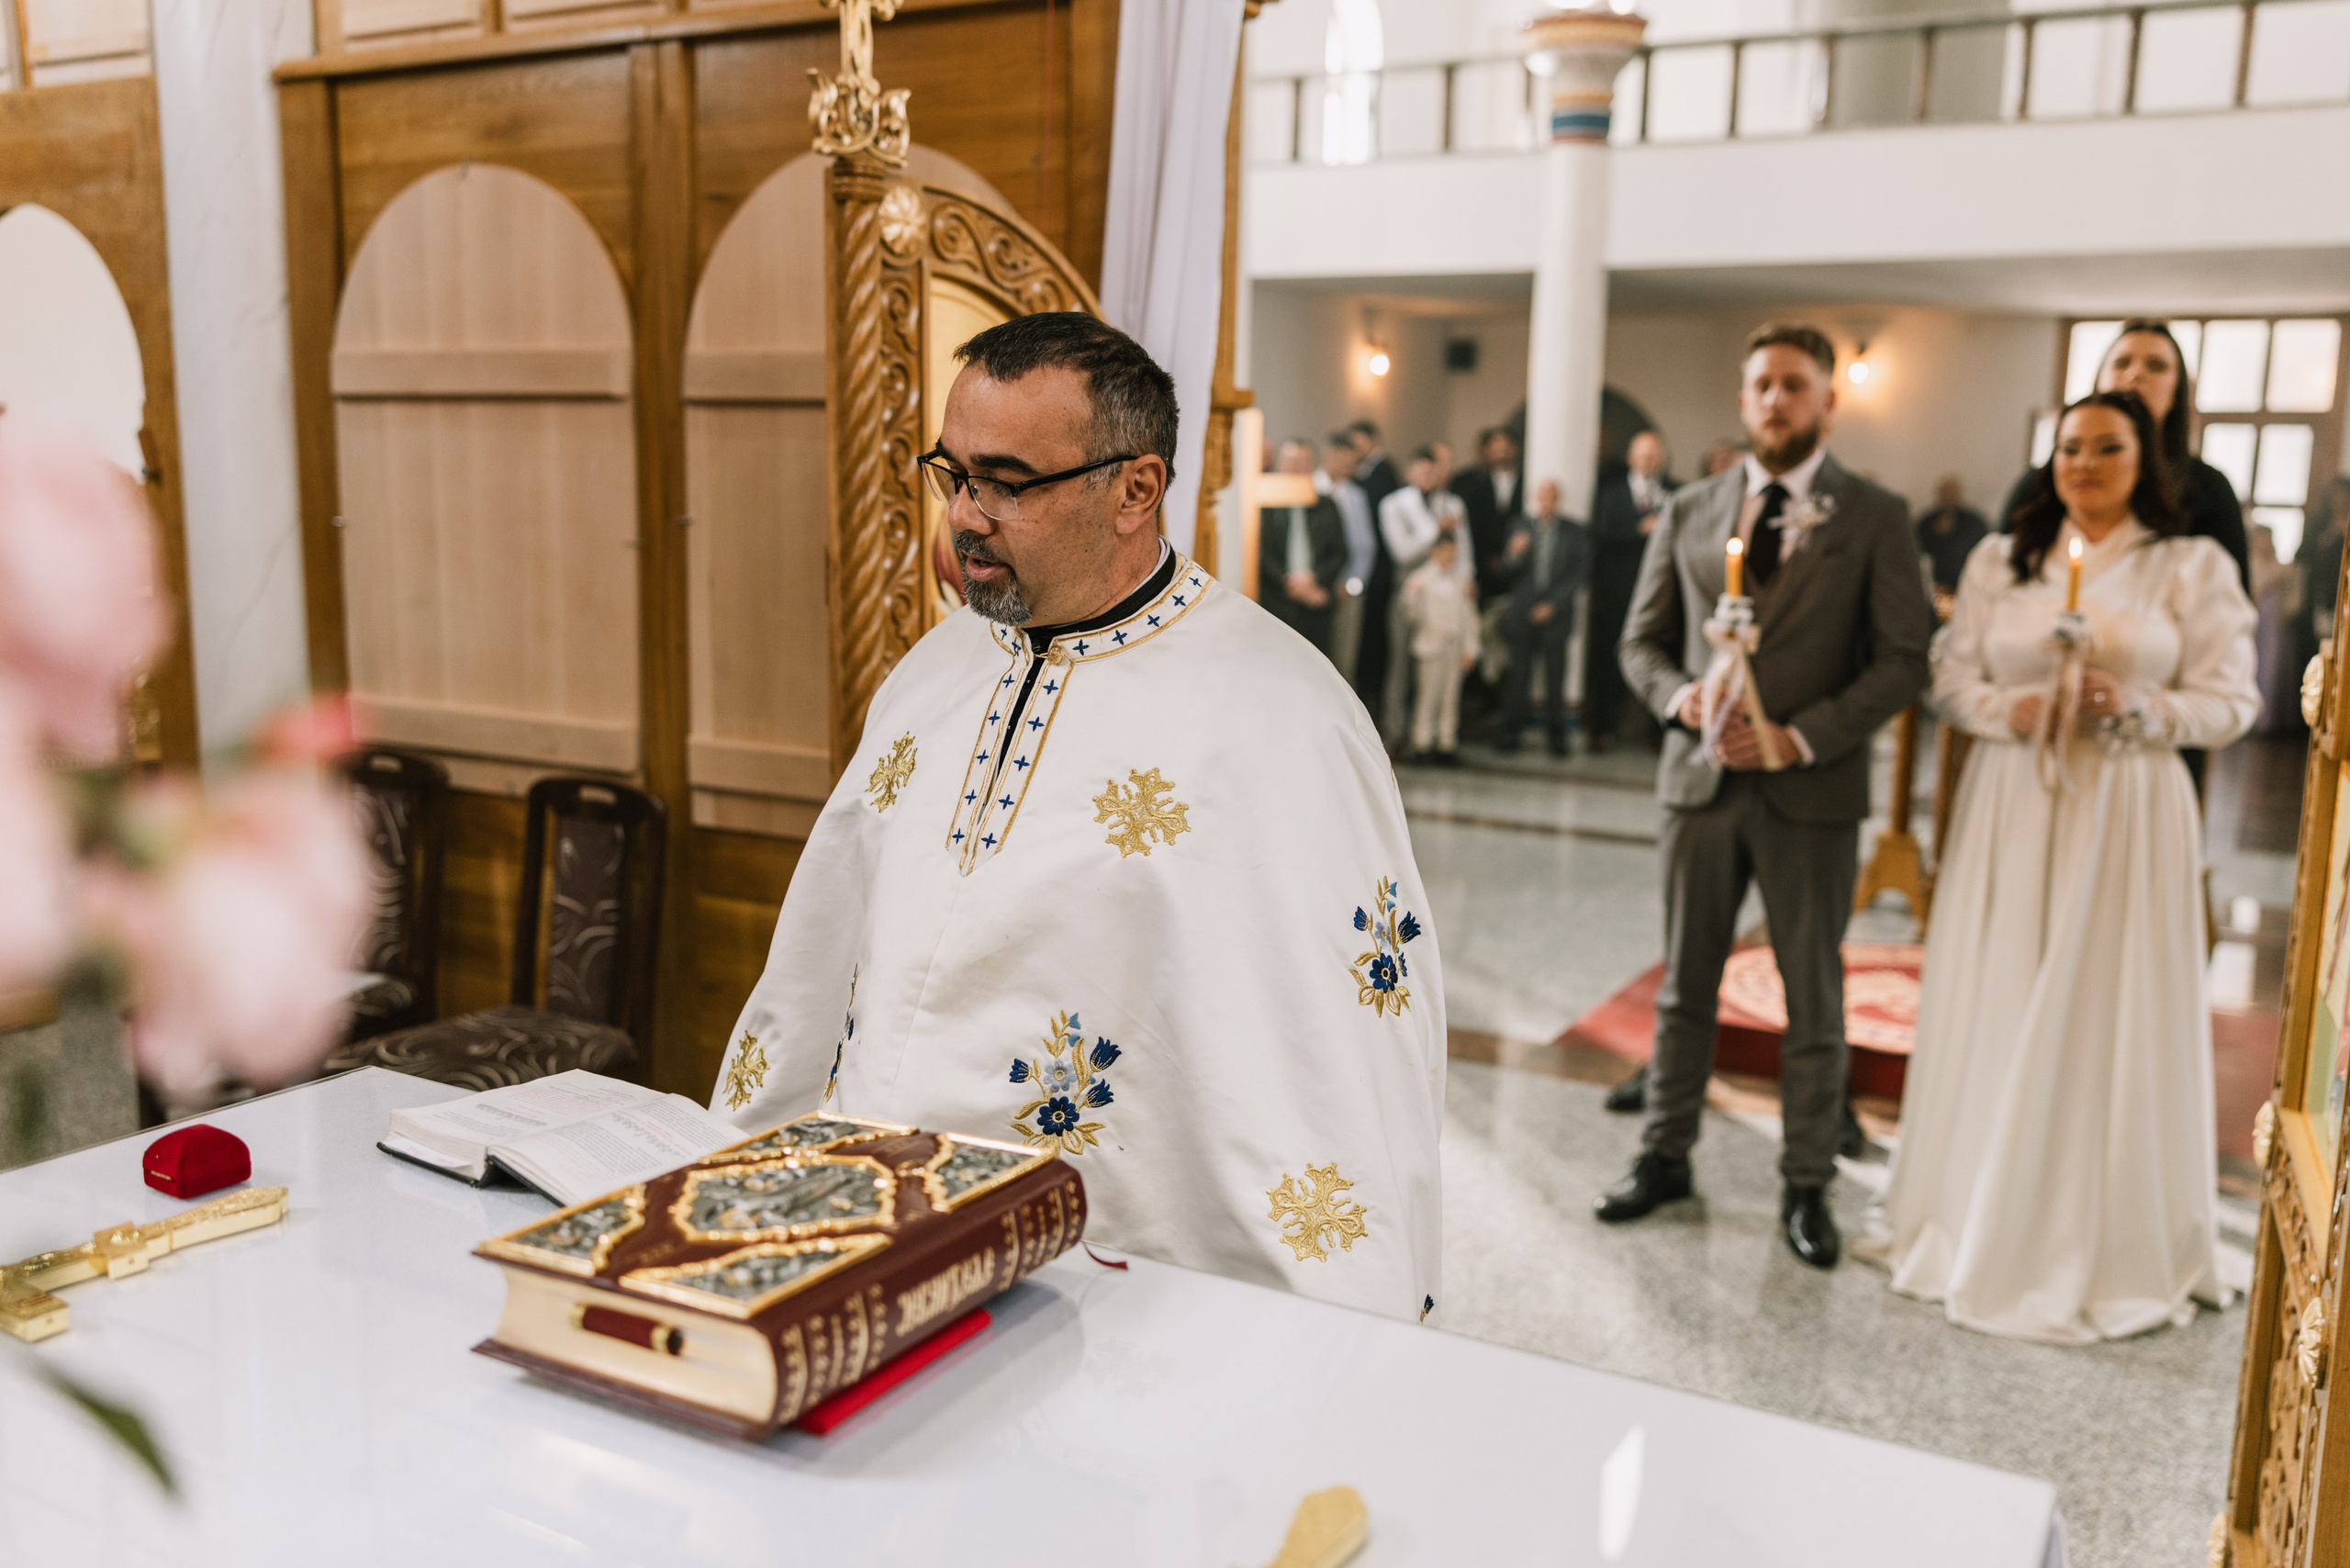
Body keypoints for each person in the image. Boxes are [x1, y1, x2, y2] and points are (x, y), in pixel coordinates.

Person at [711, 313, 1445, 1323]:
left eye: (1006, 483)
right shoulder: (933, 674)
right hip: (868, 1229)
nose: (965, 516)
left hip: (1106, 1276)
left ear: (1135, 490)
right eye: (953, 473)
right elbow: (826, 960)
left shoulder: (1284, 715)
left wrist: (1325, 1329)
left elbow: (1322, 1055)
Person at [1863, 390, 2257, 1340]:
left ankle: (2101, 1231)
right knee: (2000, 991)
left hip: (2127, 808)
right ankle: (1969, 1209)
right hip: (2012, 805)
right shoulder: (2004, 558)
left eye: (2107, 447)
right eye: (2069, 447)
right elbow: (1953, 676)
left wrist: (2137, 707)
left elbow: (2231, 699)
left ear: (2146, 455)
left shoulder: (2189, 562)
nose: (2083, 463)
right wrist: (2013, 710)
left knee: (2102, 1004)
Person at [1599, 322, 1933, 1270]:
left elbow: (1902, 658)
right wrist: (1679, 695)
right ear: (1743, 400)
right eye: (1762, 385)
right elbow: (1639, 642)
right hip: (1700, 787)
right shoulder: (1692, 508)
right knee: (1684, 986)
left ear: (1827, 400)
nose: (1776, 400)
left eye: (1795, 384)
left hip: (1810, 793)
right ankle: (1664, 1155)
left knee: (1812, 996)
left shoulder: (1872, 514)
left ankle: (1804, 1182)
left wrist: (1798, 735)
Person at [1586, 431, 1674, 752]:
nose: (1649, 460)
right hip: (1618, 593)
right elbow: (1601, 538)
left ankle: (1659, 732)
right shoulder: (1611, 495)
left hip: (1663, 593)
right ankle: (1602, 728)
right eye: (1643, 454)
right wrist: (1640, 530)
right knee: (1610, 662)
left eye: (1654, 454)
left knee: (1663, 659)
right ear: (1631, 458)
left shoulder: (1674, 492)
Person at [1379, 446, 1469, 746]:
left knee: (1438, 667)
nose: (1428, 477)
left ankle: (1431, 736)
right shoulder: (1393, 504)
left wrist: (1468, 580)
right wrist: (1435, 529)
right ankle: (1395, 731)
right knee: (1401, 664)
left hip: (1446, 595)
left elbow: (1464, 551)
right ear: (1410, 473)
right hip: (1411, 592)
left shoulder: (1452, 504)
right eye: (1422, 471)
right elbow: (1402, 552)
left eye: (1433, 472)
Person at [1495, 478, 1590, 756]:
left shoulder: (1575, 531)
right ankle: (1511, 732)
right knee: (1518, 677)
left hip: (1556, 615)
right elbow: (1508, 571)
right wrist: (1514, 554)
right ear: (1536, 499)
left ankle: (1557, 737)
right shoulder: (1520, 527)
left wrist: (1553, 605)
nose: (1547, 502)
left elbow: (1579, 574)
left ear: (1558, 500)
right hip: (1522, 613)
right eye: (1542, 496)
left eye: (1552, 497)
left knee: (1555, 676)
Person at [1258, 437, 1347, 655]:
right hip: (1275, 601)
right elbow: (1260, 552)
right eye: (1290, 462)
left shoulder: (1326, 504)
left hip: (1316, 599)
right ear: (1280, 465)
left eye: (1302, 462)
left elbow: (1339, 552)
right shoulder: (1265, 503)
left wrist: (1313, 579)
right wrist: (1289, 582)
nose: (1296, 468)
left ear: (1312, 466)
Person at [1403, 532, 1478, 764]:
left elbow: (1469, 616)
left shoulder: (1460, 580)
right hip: (1430, 645)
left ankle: (1446, 742)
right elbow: (1412, 616)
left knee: (1450, 697)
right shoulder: (1421, 579)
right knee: (1428, 696)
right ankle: (1422, 741)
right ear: (1435, 552)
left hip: (1453, 647)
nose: (1450, 558)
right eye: (1446, 552)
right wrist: (1411, 598)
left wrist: (1471, 648)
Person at [1348, 420, 1404, 722]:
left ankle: (1373, 697)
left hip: (1379, 567)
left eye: (1357, 444)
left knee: (1374, 634)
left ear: (1371, 440)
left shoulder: (1383, 472)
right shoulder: (1366, 471)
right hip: (1370, 567)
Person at [1323, 432, 1380, 684]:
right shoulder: (1310, 487)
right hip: (1317, 586)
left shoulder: (1356, 496)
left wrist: (1353, 583)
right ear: (1330, 456)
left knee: (1345, 661)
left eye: (1352, 462)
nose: (1349, 467)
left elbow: (1365, 545)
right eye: (1345, 460)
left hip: (1348, 588)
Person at [1450, 427, 1526, 603]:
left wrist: (1508, 557)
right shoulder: (1472, 484)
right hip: (1482, 564)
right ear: (1488, 451)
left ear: (1514, 449)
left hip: (1517, 566)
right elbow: (1472, 525)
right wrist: (1488, 558)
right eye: (1496, 449)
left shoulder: (1527, 480)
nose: (1501, 453)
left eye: (1505, 448)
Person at [1916, 474, 1988, 594]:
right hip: (1932, 587)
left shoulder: (1974, 523)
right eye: (1944, 493)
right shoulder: (1925, 523)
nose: (1948, 497)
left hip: (1966, 586)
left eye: (1952, 492)